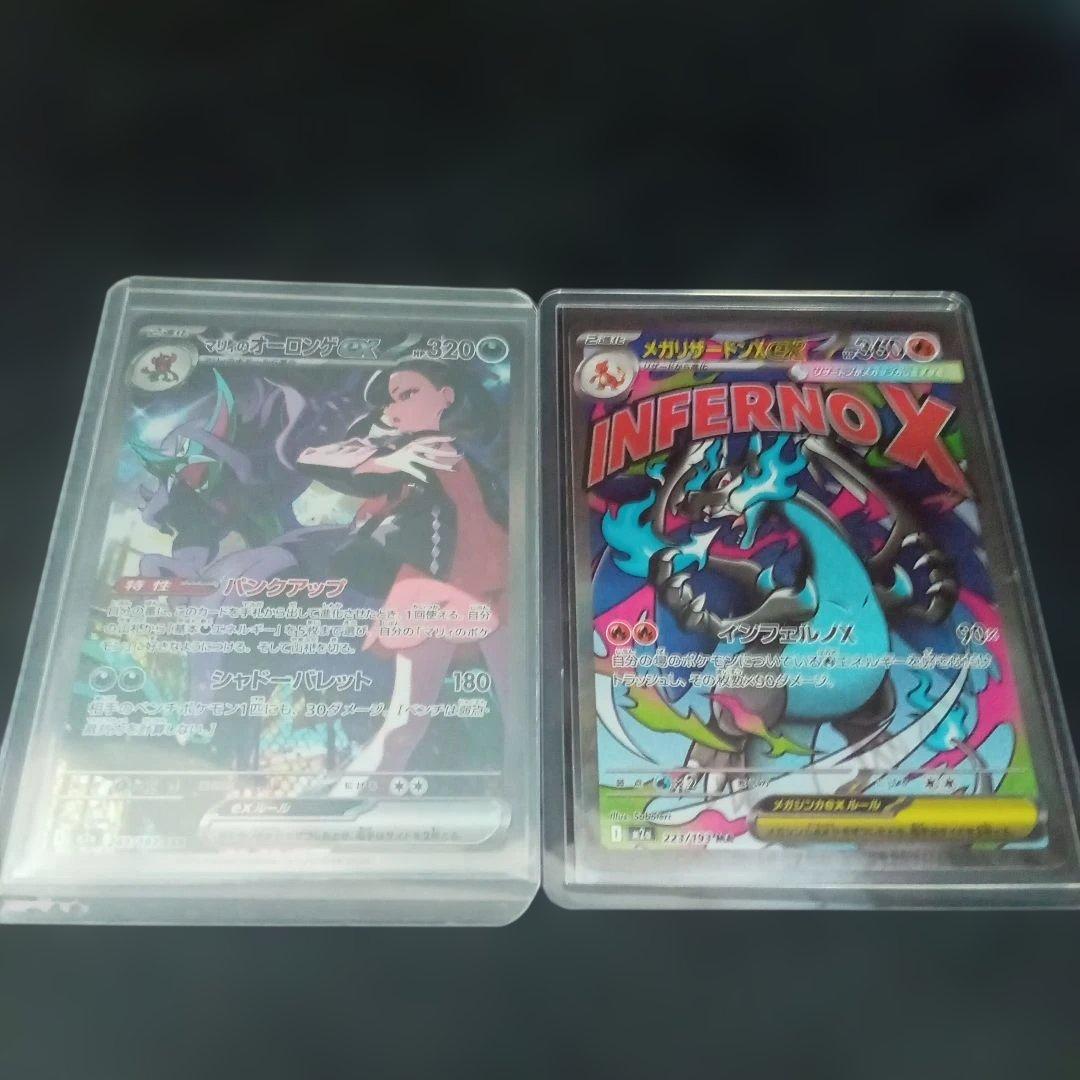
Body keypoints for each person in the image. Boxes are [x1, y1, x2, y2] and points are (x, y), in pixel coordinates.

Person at [296, 359, 509, 783]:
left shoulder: (469, 458)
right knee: (406, 723)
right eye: (390, 403)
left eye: (407, 393)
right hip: (433, 589)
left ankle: (518, 800)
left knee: (523, 716)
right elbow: (312, 456)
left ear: (445, 396)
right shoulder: (395, 457)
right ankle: (350, 801)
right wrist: (391, 460)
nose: (394, 409)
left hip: (504, 586)